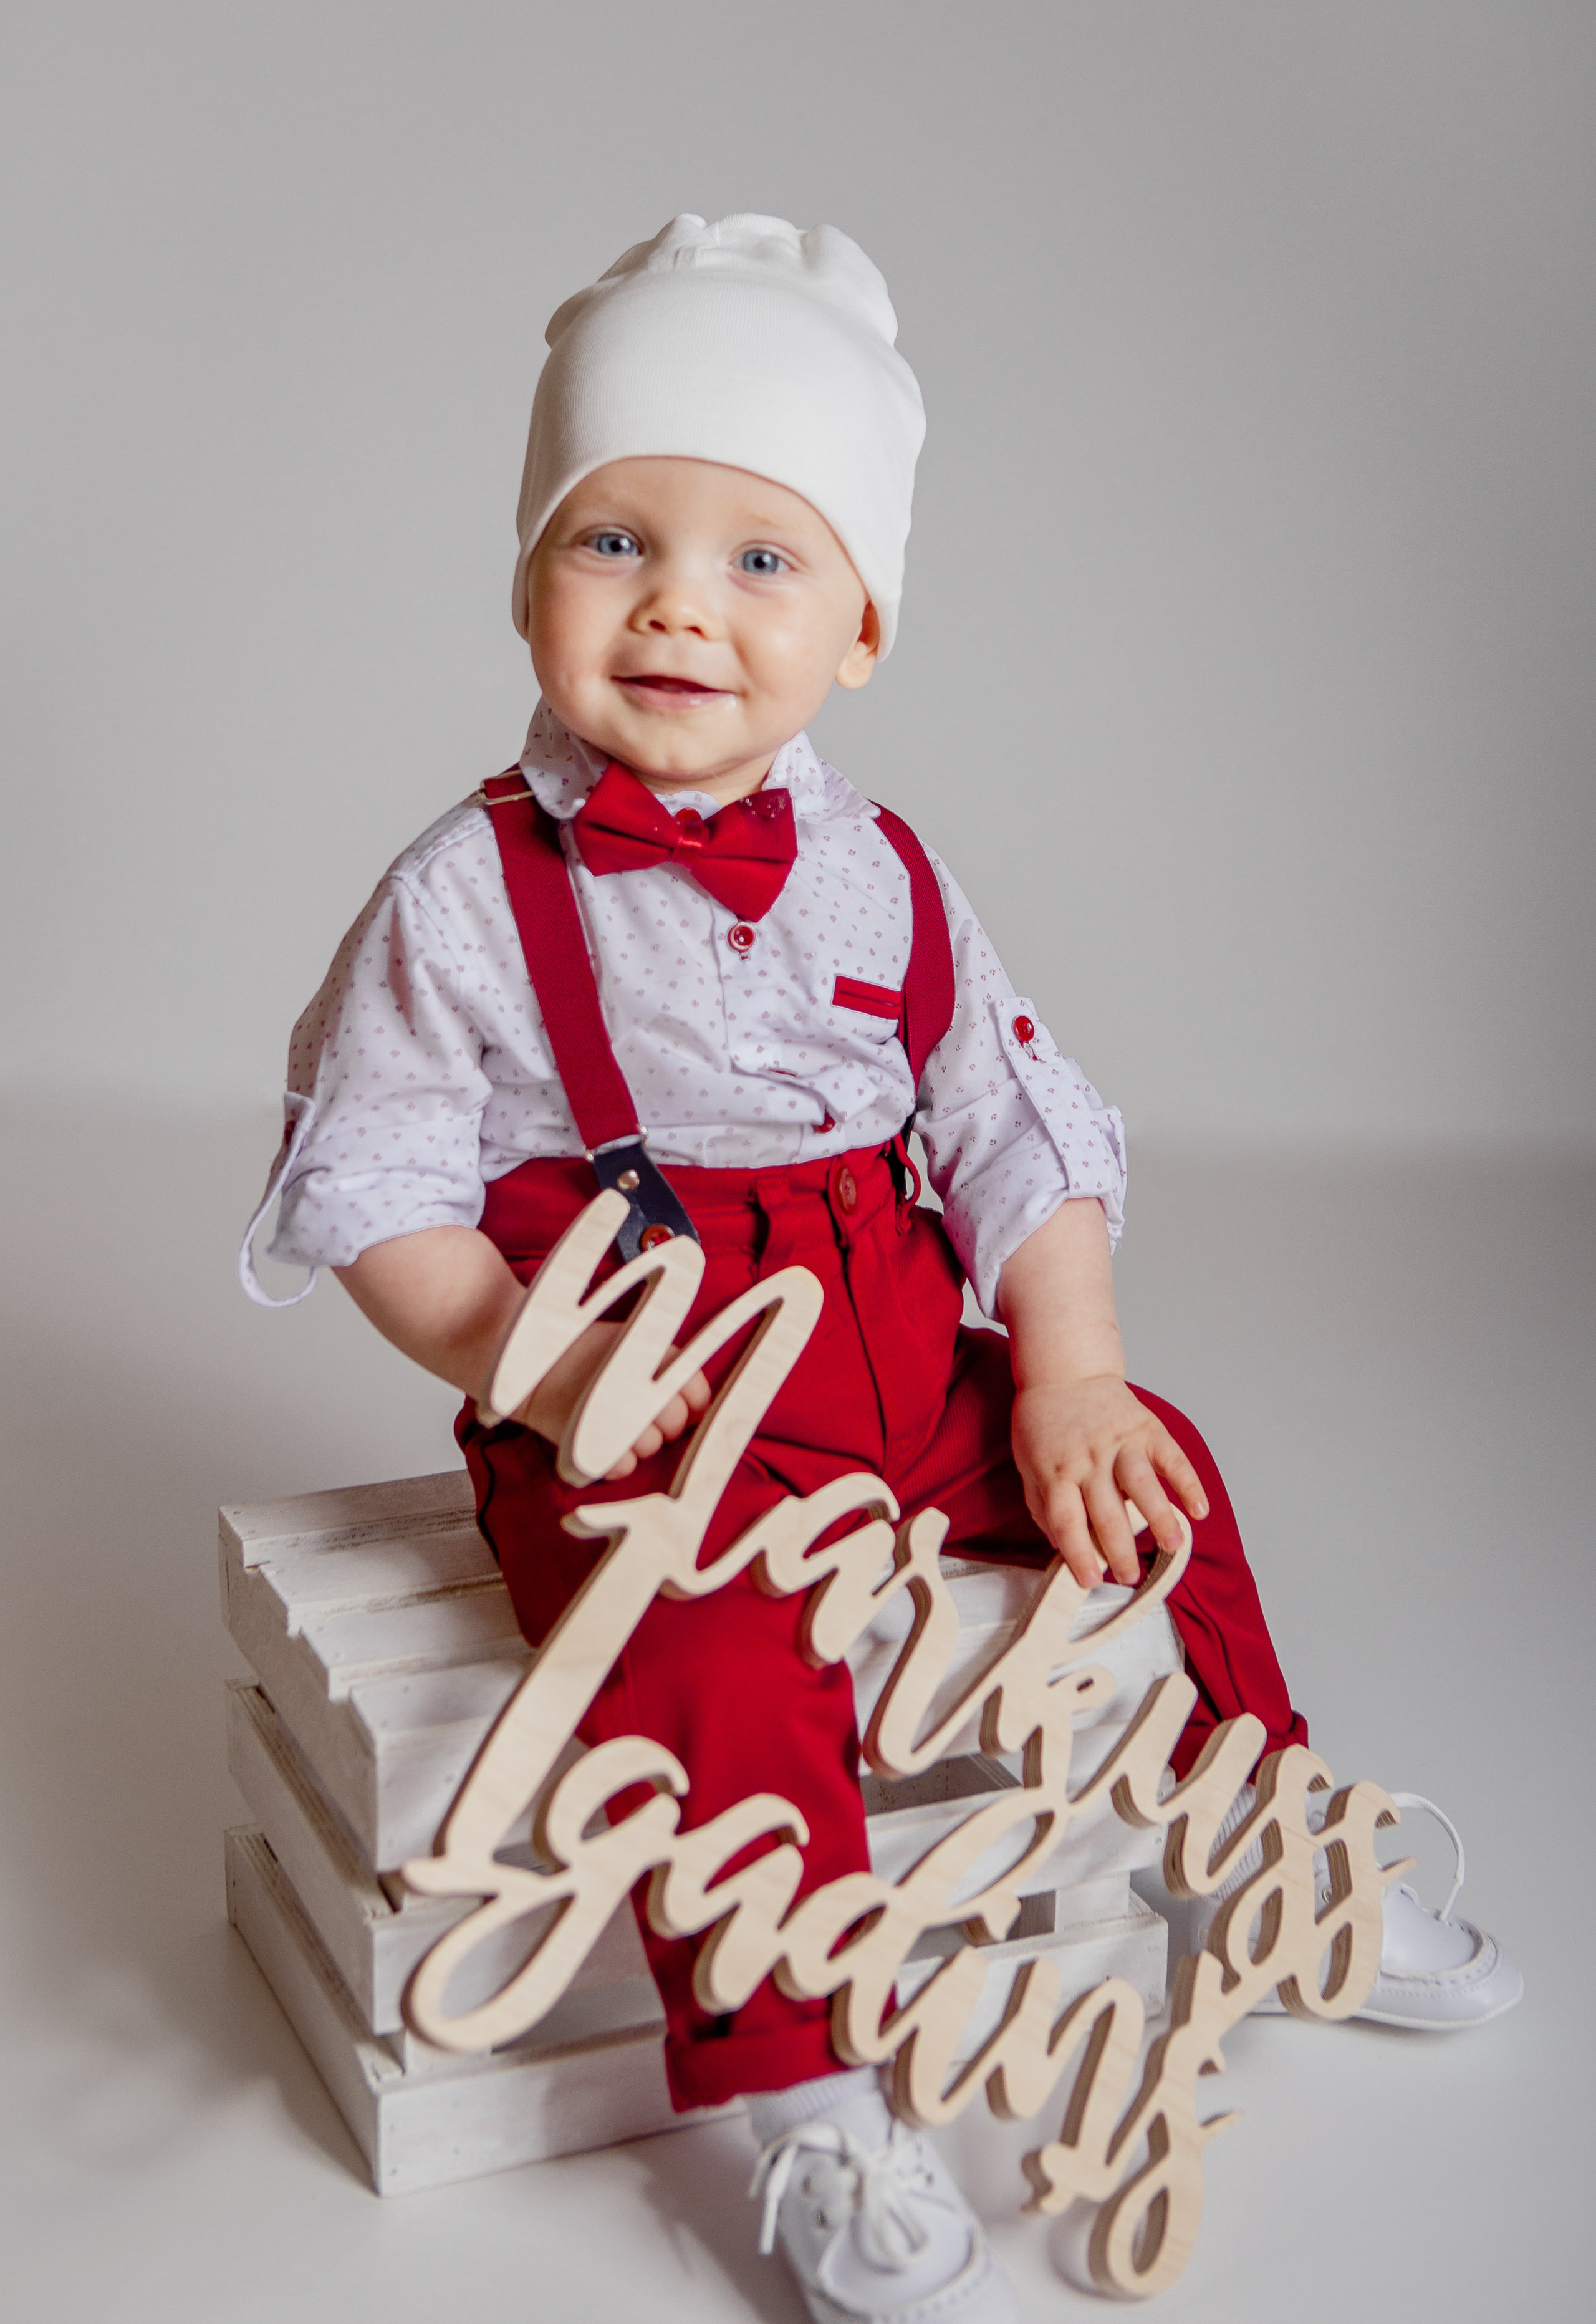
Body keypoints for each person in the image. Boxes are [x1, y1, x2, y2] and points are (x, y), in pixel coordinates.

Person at [241, 214, 1520, 2324]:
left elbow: (1014, 1127)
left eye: (764, 559)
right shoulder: (464, 892)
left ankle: (1272, 1851)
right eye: (612, 541)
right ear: (525, 580)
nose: (679, 606)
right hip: (644, 1391)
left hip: (894, 1344)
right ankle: (810, 2097)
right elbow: (374, 1177)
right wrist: (521, 1359)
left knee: (1156, 1483)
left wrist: (1071, 1370)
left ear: (860, 631)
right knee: (714, 1656)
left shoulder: (886, 865)